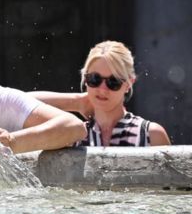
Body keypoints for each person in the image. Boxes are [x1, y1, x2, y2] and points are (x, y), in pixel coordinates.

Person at [30, 40, 171, 146]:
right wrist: (77, 101)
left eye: (113, 82)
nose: (102, 89)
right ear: (85, 79)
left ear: (129, 84)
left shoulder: (151, 134)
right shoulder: (72, 134)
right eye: (94, 79)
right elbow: (15, 104)